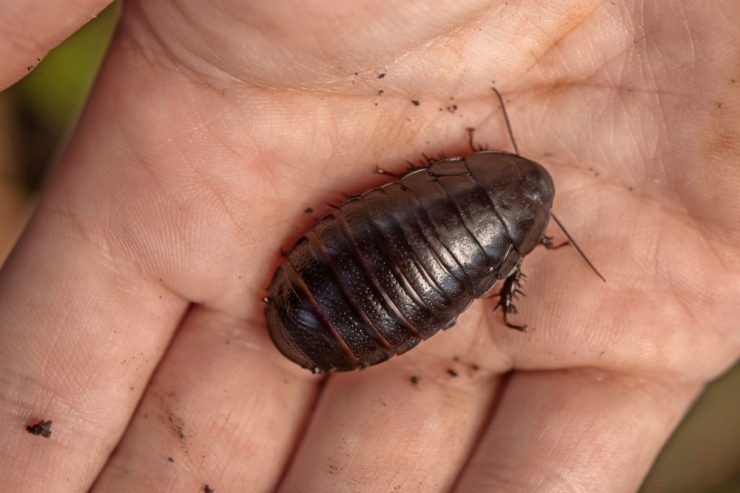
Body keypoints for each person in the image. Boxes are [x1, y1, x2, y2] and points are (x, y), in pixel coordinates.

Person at [1, 1, 738, 491]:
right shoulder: (502, 248)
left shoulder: (447, 181)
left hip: (347, 286)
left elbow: (405, 193)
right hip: (348, 303)